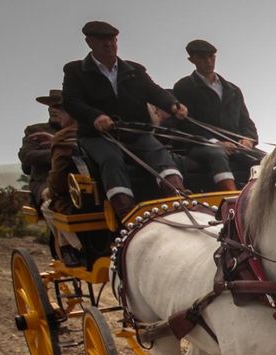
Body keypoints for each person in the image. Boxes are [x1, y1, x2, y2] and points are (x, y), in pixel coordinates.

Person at [61, 20, 206, 219]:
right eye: (102, 40)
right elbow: (72, 102)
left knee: (158, 151)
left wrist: (173, 105)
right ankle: (125, 211)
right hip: (98, 136)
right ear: (89, 42)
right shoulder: (75, 71)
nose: (109, 44)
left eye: (112, 40)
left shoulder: (134, 70)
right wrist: (95, 116)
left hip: (135, 133)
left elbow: (154, 92)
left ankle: (177, 195)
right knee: (110, 160)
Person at [172, 39, 259, 187]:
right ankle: (231, 198)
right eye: (202, 57)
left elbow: (246, 122)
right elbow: (187, 125)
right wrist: (216, 143)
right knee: (217, 155)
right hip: (199, 146)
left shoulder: (233, 90)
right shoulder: (184, 87)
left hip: (236, 146)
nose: (208, 62)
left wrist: (248, 139)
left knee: (265, 160)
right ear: (191, 60)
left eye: (211, 57)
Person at [19, 90, 67, 211]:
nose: (52, 109)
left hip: (73, 181)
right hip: (43, 181)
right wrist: (59, 152)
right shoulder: (34, 130)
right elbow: (26, 156)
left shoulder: (76, 131)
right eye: (50, 106)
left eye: (57, 106)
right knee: (51, 199)